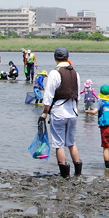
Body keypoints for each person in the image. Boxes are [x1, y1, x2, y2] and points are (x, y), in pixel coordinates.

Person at [40, 47, 82, 178]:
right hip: (73, 112)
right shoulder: (75, 73)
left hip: (58, 112)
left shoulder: (54, 73)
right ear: (67, 57)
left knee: (59, 144)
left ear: (55, 58)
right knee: (71, 142)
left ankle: (64, 174)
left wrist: (45, 113)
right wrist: (75, 110)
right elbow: (77, 96)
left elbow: (48, 96)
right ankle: (78, 172)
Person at [85, 84, 109, 168]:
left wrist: (87, 111)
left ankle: (107, 167)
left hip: (106, 128)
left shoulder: (101, 102)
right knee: (108, 142)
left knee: (105, 148)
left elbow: (94, 112)